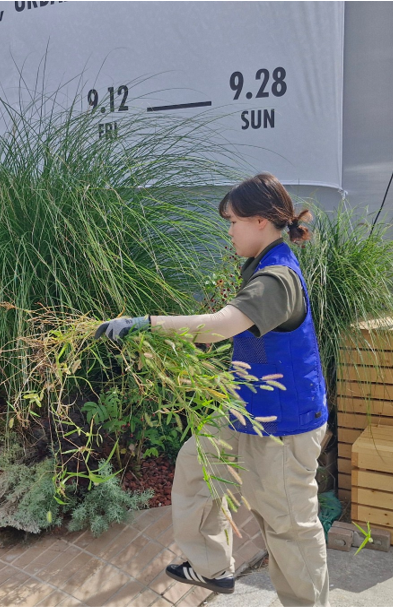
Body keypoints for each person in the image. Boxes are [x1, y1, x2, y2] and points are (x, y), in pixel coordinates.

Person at [96, 173, 329, 607]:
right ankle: (211, 566)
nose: (230, 231)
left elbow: (221, 326)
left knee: (288, 527)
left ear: (260, 221)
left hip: (283, 421)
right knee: (196, 465)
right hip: (247, 406)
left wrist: (146, 325)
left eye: (234, 222)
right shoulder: (259, 264)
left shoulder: (276, 277)